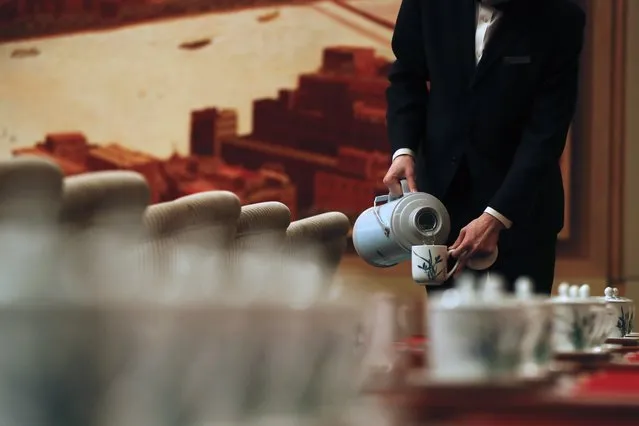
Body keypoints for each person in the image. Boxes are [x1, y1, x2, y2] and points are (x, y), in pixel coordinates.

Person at [383, 0, 585, 294]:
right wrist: (404, 149)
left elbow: (546, 132)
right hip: (444, 209)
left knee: (523, 336)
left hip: (524, 211)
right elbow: (406, 77)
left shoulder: (560, 17)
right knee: (452, 336)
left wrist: (497, 217)